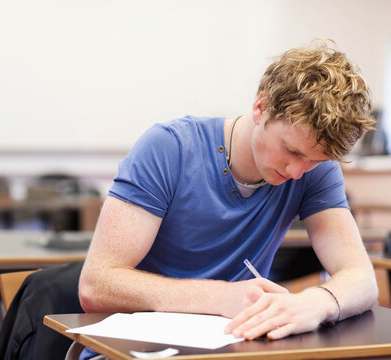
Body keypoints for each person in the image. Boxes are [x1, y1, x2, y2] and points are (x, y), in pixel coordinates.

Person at [77, 40, 378, 359]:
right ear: (261, 107)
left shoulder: (314, 170)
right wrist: (221, 297)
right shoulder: (169, 149)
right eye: (291, 151)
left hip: (231, 348)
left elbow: (362, 279)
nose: (297, 172)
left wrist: (314, 304)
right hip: (136, 349)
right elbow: (96, 285)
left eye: (314, 161)